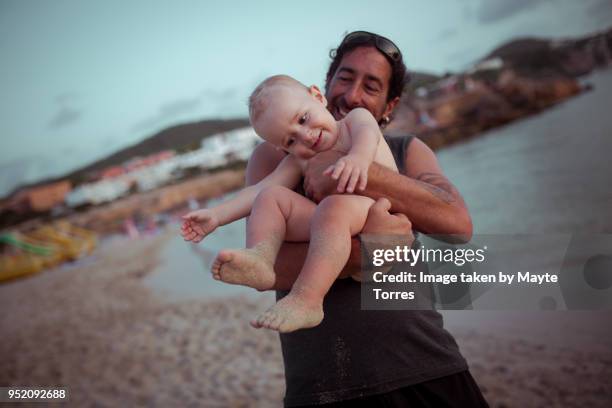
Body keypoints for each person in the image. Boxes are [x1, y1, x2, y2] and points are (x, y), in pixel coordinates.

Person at [245, 31, 488, 407]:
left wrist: (358, 170)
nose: (353, 95)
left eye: (371, 86)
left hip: (428, 365)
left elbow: (457, 225)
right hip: (323, 386)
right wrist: (368, 254)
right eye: (345, 77)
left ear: (389, 105)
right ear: (323, 86)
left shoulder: (407, 150)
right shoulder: (276, 158)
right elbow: (266, 266)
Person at [181, 74, 399, 332]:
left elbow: (368, 135)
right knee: (270, 197)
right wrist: (216, 216)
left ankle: (308, 299)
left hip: (379, 218)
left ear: (318, 97)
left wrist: (358, 159)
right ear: (282, 149)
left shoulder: (354, 122)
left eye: (303, 119)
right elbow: (258, 189)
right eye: (290, 141)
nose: (305, 136)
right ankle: (261, 258)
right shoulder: (300, 160)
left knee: (333, 208)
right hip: (337, 229)